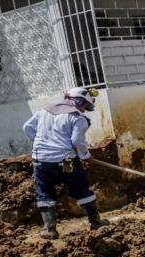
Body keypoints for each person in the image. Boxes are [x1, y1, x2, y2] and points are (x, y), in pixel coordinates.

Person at [22, 87, 109, 239]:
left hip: (41, 161)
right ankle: (96, 223)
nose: (84, 110)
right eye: (85, 106)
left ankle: (50, 230)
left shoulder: (43, 111)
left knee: (44, 192)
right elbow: (77, 141)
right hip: (66, 160)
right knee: (79, 187)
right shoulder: (78, 118)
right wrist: (85, 156)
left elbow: (27, 128)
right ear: (80, 101)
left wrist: (44, 144)